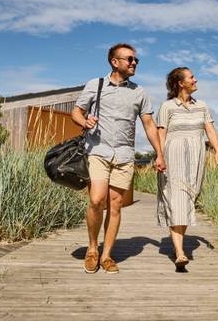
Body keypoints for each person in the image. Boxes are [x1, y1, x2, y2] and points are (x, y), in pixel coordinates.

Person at [71, 43, 166, 274]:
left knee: (115, 206)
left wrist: (159, 153)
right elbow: (76, 111)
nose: (134, 63)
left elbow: (149, 125)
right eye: (130, 59)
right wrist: (85, 122)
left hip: (124, 155)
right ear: (115, 62)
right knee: (96, 200)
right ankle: (93, 249)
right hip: (98, 151)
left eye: (136, 60)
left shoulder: (139, 92)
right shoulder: (96, 85)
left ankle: (106, 255)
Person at [156, 67, 218, 271]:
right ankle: (180, 253)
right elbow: (161, 133)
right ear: (180, 83)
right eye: (191, 77)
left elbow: (209, 129)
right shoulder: (167, 107)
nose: (195, 79)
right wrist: (159, 156)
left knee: (186, 202)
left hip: (196, 158)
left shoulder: (202, 106)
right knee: (176, 201)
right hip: (173, 158)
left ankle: (179, 247)